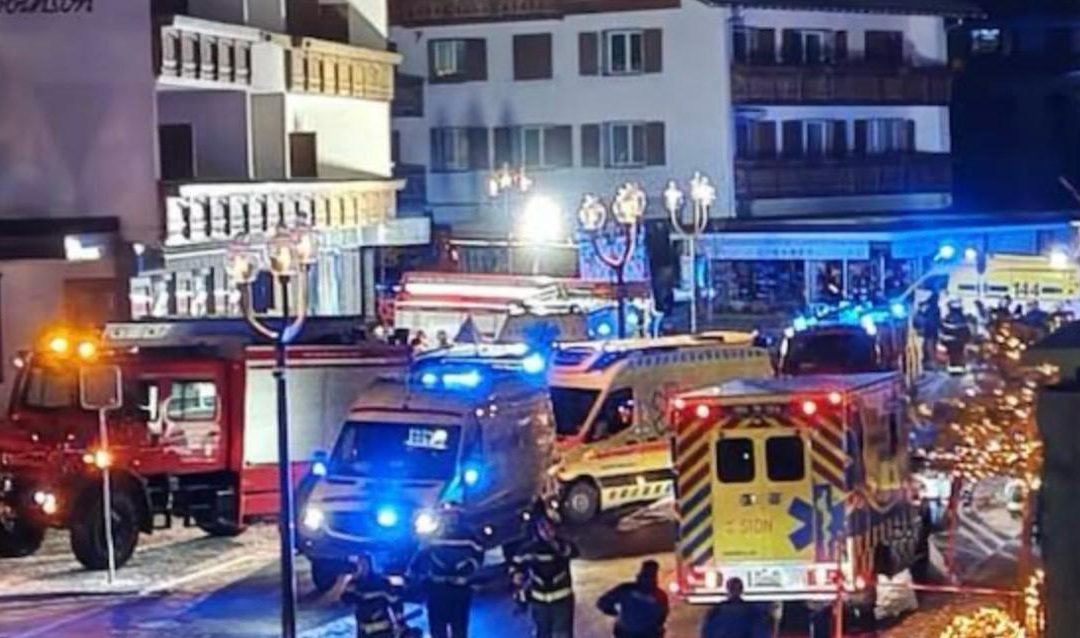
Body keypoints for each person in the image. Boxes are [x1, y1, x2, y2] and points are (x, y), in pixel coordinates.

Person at [408, 511, 484, 638]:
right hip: (437, 588)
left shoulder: (469, 536)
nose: (450, 519)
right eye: (447, 515)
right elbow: (420, 556)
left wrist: (467, 569)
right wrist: (412, 574)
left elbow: (479, 556)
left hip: (460, 589)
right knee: (438, 629)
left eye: (453, 515)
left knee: (459, 628)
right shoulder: (432, 536)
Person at [510, 503, 578, 638]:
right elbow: (516, 564)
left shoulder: (562, 545)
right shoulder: (530, 548)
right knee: (542, 634)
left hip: (561, 602)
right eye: (542, 528)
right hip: (539, 602)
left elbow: (573, 552)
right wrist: (516, 574)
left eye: (549, 528)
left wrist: (554, 543)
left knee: (562, 634)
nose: (546, 531)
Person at [597, 560, 669, 638]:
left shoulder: (626, 589)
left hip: (625, 633)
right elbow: (662, 617)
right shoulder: (660, 595)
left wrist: (615, 613)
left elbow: (602, 603)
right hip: (649, 633)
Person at [341, 555, 404, 638]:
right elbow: (346, 600)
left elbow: (395, 601)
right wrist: (349, 591)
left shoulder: (381, 581)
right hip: (365, 627)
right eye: (360, 564)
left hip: (383, 627)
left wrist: (400, 621)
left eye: (365, 564)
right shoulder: (353, 583)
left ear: (370, 564)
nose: (363, 567)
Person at [700, 578, 769, 638]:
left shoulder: (752, 611)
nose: (735, 592)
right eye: (733, 589)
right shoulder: (716, 611)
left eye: (737, 589)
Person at [939, 299, 971, 375]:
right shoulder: (963, 318)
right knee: (958, 354)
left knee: (953, 355)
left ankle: (953, 367)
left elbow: (943, 330)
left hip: (950, 343)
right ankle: (958, 367)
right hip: (959, 342)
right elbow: (966, 331)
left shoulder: (947, 318)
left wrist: (944, 340)